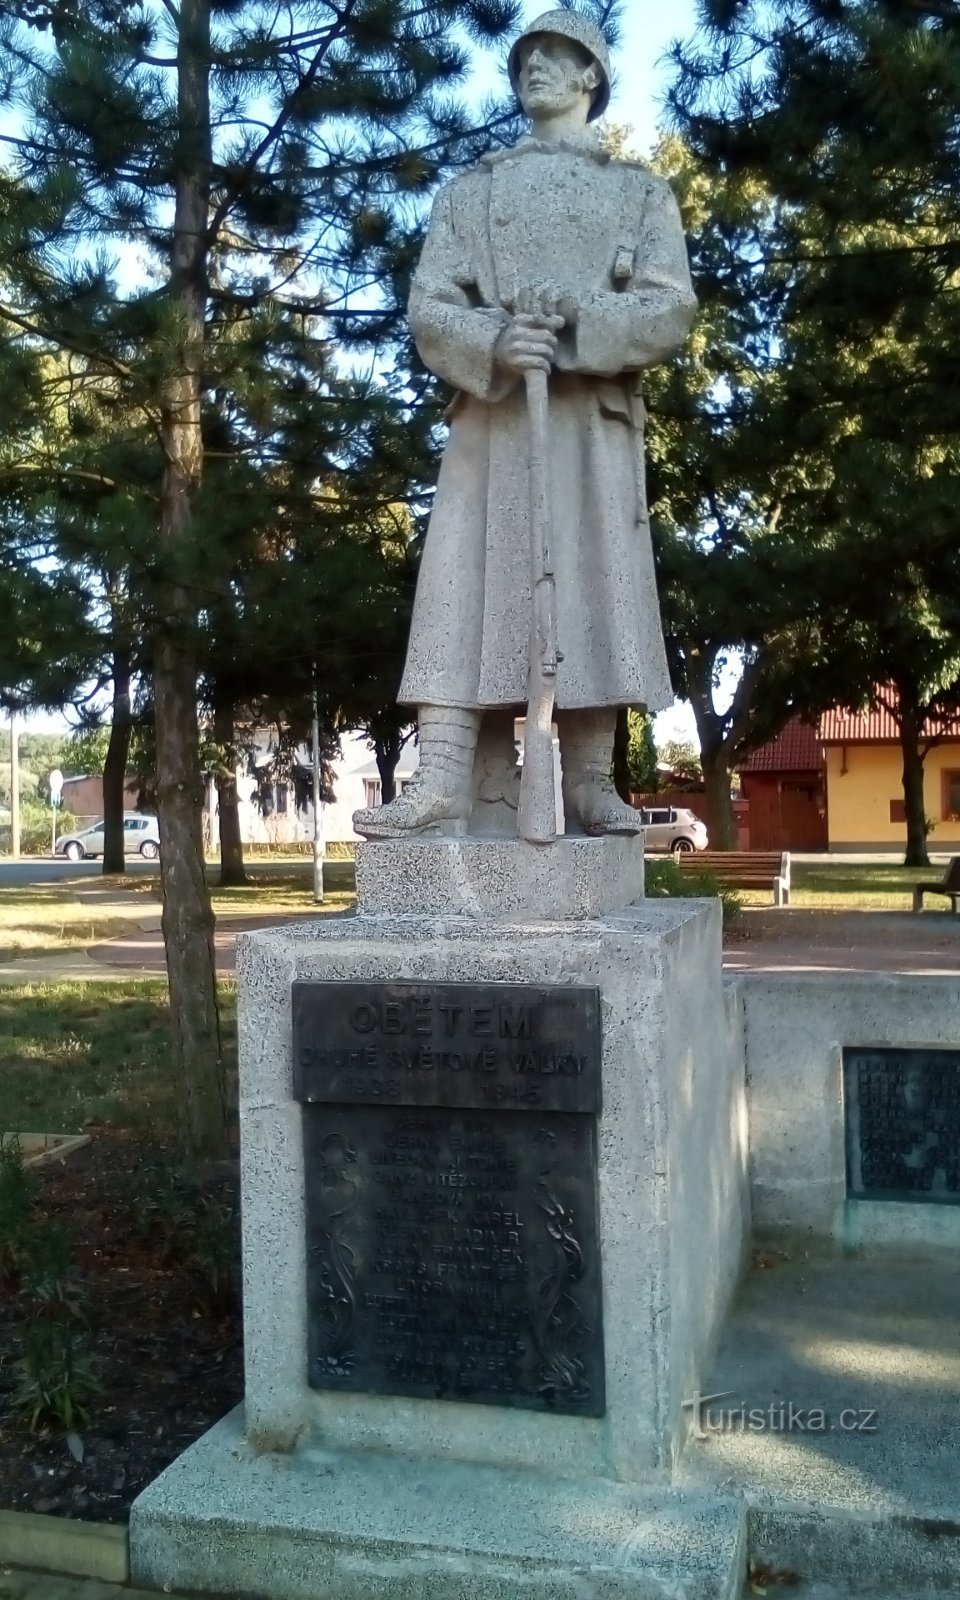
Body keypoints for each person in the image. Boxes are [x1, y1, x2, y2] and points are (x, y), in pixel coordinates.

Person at [353, 8, 696, 840]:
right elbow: (430, 307)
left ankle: (588, 779)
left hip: (586, 426)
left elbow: (671, 308)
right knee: (458, 584)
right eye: (525, 56)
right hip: (494, 418)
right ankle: (440, 778)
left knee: (592, 585)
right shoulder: (470, 193)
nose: (535, 66)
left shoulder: (638, 193)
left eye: (557, 55)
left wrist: (577, 329)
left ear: (592, 77)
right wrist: (497, 340)